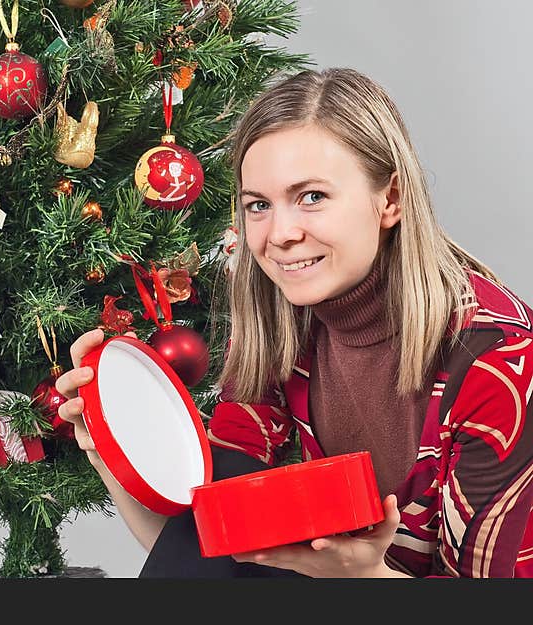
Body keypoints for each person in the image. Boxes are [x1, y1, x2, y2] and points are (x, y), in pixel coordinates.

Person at [55, 67, 533, 578]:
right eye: (259, 205)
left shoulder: (499, 362)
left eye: (312, 197)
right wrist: (108, 449)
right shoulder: (280, 326)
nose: (279, 234)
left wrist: (366, 578)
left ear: (389, 199)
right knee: (229, 482)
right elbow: (202, 552)